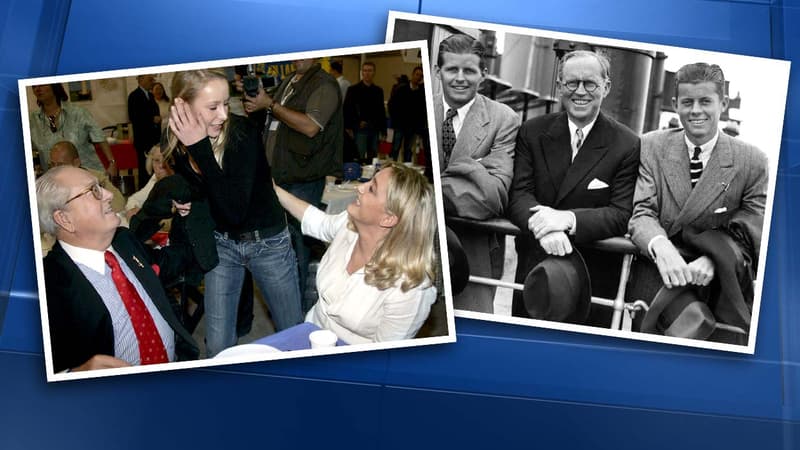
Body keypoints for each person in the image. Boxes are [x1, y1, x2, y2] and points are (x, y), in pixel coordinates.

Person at [628, 62, 768, 342]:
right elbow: (642, 211)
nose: (696, 111)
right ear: (674, 103)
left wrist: (716, 258)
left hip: (717, 283)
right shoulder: (651, 146)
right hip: (656, 275)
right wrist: (660, 246)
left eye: (706, 101)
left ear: (723, 103)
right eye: (687, 102)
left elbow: (755, 225)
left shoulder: (752, 160)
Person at [168, 69, 302, 357]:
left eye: (226, 104)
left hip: (268, 242)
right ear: (182, 107)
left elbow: (235, 210)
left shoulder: (242, 132)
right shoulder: (177, 144)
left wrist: (199, 147)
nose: (224, 115)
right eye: (213, 107)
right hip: (223, 243)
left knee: (293, 334)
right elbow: (207, 190)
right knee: (216, 344)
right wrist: (190, 201)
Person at [508, 50, 640, 325]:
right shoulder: (531, 132)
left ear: (606, 87)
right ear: (559, 87)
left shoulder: (627, 144)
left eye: (590, 83)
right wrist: (542, 229)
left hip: (592, 281)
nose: (580, 91)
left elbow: (621, 212)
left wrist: (566, 219)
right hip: (536, 270)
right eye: (571, 83)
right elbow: (519, 194)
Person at [36, 166, 198, 373]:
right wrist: (75, 374)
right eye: (93, 191)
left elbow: (171, 263)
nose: (109, 194)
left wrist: (185, 216)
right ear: (64, 219)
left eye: (101, 186)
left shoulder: (124, 240)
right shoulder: (47, 285)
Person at [274, 161, 437, 343]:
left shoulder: (410, 287)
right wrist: (275, 189)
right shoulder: (348, 225)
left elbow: (384, 357)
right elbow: (318, 222)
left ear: (388, 218)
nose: (360, 187)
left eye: (371, 189)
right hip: (311, 334)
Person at [243, 58, 343, 313]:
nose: (299, 56)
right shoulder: (290, 80)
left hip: (303, 179)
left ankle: (296, 316)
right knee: (278, 247)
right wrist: (259, 105)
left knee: (297, 250)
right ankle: (287, 308)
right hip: (279, 177)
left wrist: (271, 104)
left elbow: (310, 126)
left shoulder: (324, 84)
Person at [434, 33, 521, 313]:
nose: (460, 78)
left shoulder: (503, 119)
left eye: (469, 70)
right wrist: (472, 168)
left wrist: (429, 191)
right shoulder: (421, 105)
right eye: (452, 69)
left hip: (473, 252)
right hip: (414, 244)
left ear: (483, 74)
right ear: (438, 71)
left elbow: (493, 195)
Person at [29, 83, 117, 177]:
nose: (37, 89)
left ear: (54, 86)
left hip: (88, 175)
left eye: (42, 85)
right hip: (56, 180)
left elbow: (99, 137)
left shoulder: (78, 113)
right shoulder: (31, 120)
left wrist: (112, 162)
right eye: (34, 86)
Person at [48, 141, 126, 213]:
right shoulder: (48, 184)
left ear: (76, 163)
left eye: (61, 165)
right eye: (52, 164)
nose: (55, 169)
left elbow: (119, 204)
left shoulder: (96, 178)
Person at [344, 61, 387, 162]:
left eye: (370, 71)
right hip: (360, 128)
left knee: (373, 157)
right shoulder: (353, 90)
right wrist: (353, 124)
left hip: (374, 128)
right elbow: (347, 109)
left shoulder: (378, 91)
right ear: (362, 73)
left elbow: (381, 110)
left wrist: (383, 130)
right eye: (365, 70)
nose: (367, 73)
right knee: (360, 155)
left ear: (374, 73)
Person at [128, 74, 161, 189]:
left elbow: (155, 112)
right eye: (150, 79)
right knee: (144, 169)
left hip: (154, 139)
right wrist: (151, 119)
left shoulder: (150, 96)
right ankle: (144, 193)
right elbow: (134, 117)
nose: (152, 81)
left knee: (153, 168)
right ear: (141, 79)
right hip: (143, 140)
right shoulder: (134, 96)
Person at [388, 66, 427, 164]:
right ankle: (392, 166)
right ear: (412, 75)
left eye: (421, 76)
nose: (418, 77)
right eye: (417, 74)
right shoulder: (401, 89)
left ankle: (406, 169)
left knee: (408, 150)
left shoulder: (421, 93)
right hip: (400, 125)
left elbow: (422, 111)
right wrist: (395, 120)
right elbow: (391, 105)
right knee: (395, 147)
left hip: (412, 127)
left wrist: (419, 127)